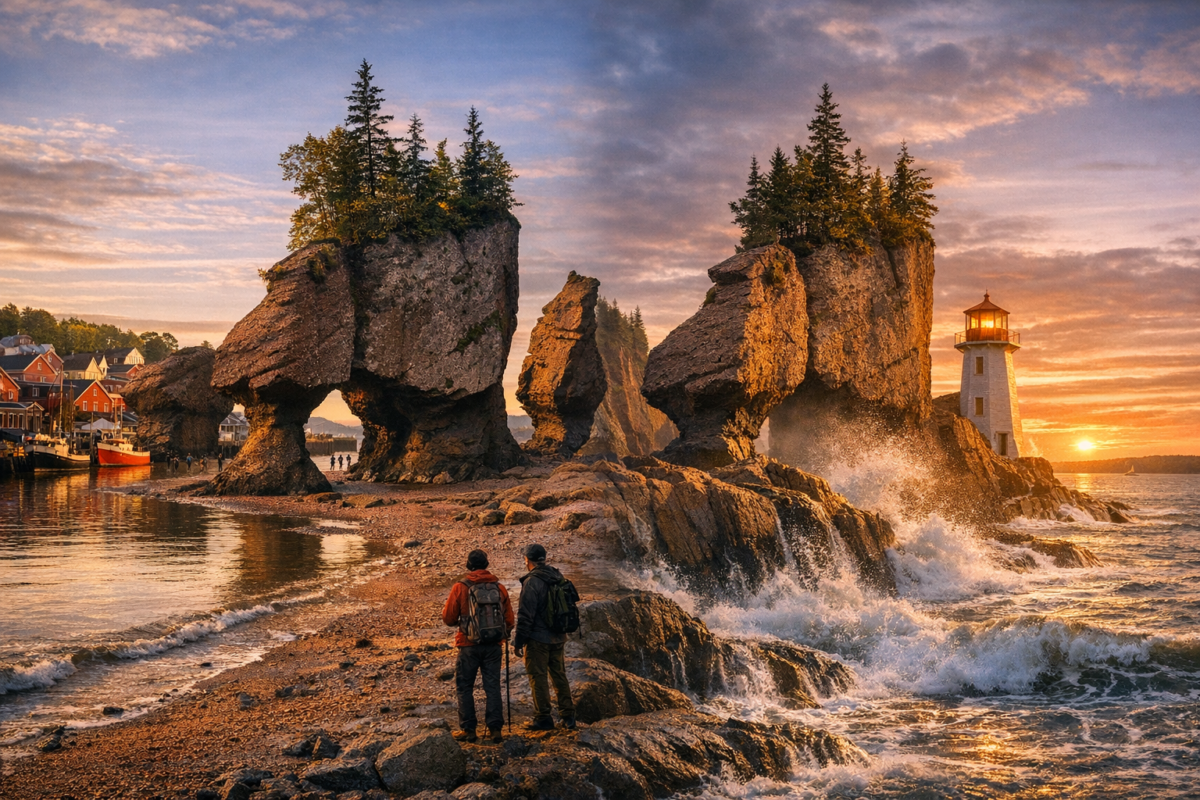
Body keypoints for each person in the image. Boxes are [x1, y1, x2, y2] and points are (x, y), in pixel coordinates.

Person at [442, 549, 514, 744]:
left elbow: (448, 618)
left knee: (465, 687)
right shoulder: (499, 588)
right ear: (486, 565)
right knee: (493, 687)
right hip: (493, 646)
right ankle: (495, 730)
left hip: (468, 645)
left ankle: (469, 730)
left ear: (468, 565)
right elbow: (509, 620)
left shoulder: (460, 587)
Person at [513, 543, 576, 731]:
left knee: (538, 677)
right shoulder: (557, 575)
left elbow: (525, 616)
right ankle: (568, 716)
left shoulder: (532, 582)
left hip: (538, 639)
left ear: (527, 560)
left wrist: (519, 641)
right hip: (559, 636)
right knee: (559, 676)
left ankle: (543, 718)